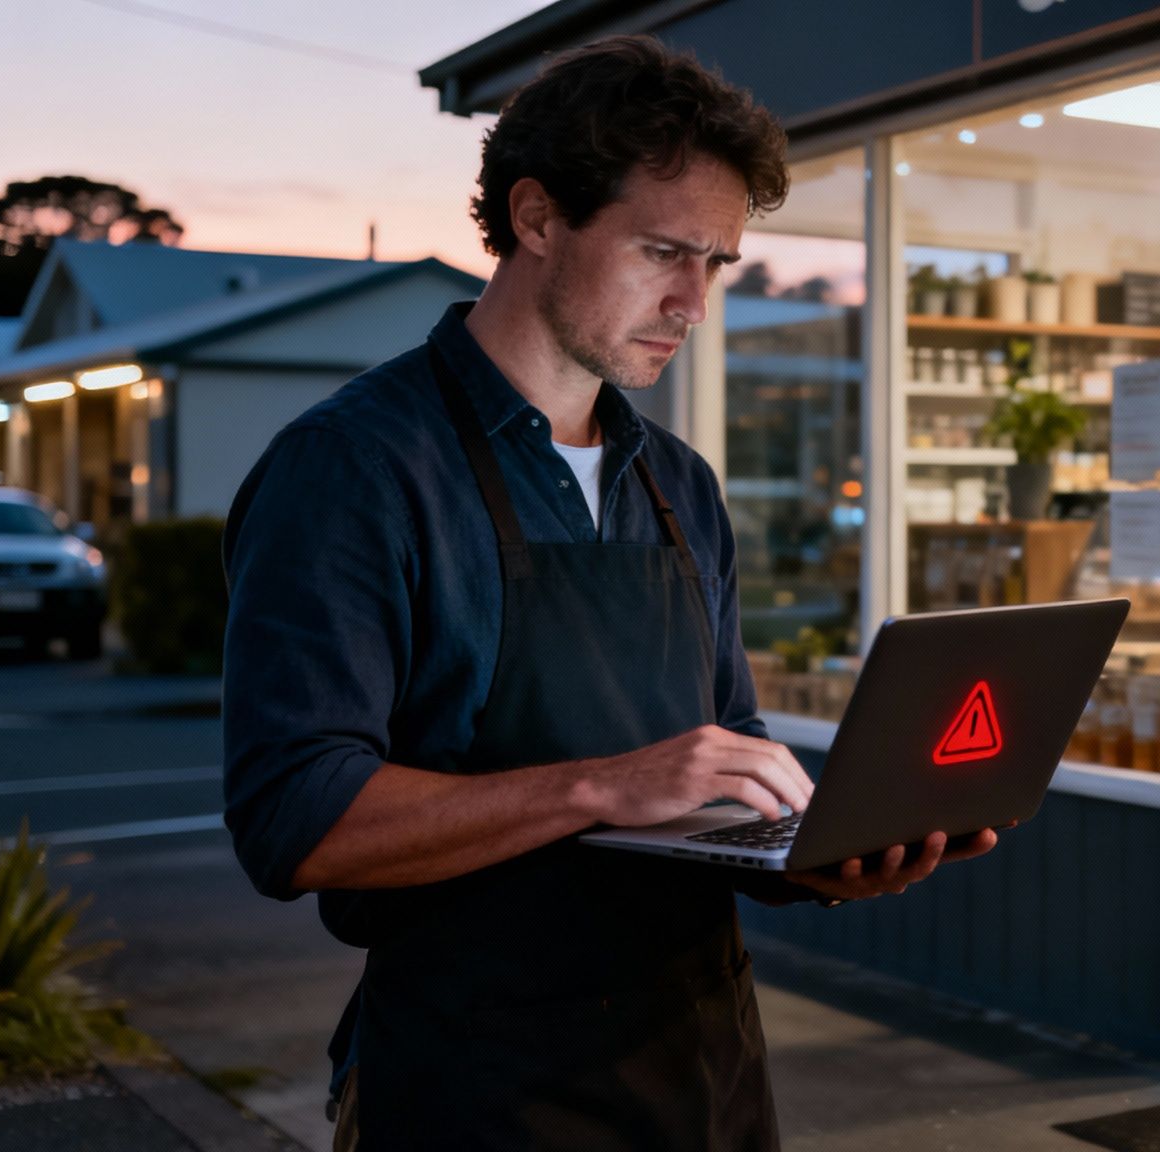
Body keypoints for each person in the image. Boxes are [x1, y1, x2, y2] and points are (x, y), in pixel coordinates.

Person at [220, 35, 996, 1151]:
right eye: (661, 252)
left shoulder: (676, 484)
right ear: (536, 218)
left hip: (702, 1069)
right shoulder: (354, 469)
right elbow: (295, 817)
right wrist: (599, 787)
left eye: (716, 264)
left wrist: (819, 854)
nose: (692, 302)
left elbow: (716, 754)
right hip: (477, 1085)